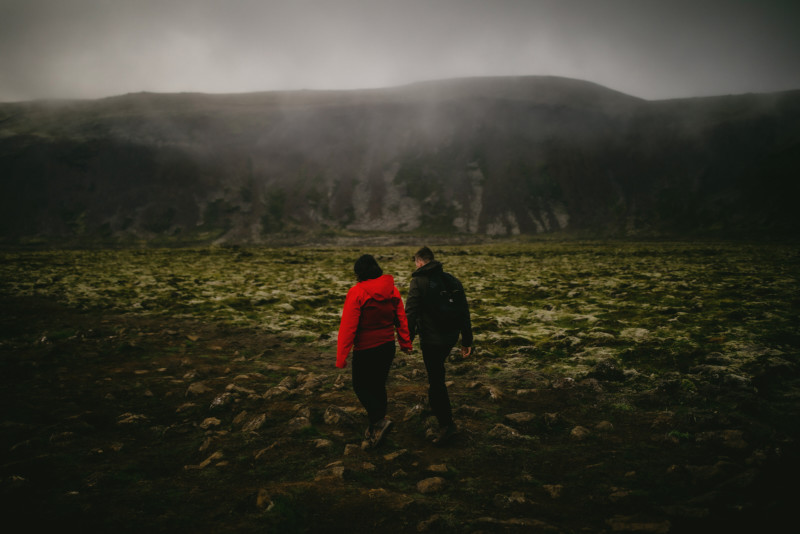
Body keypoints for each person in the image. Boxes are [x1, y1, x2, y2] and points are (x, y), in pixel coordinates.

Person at [337, 254, 413, 448]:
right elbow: (401, 319)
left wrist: (341, 356)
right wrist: (405, 343)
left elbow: (348, 327)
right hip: (387, 346)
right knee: (378, 385)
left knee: (360, 386)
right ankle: (376, 426)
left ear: (359, 273)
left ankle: (379, 421)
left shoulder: (357, 292)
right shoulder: (392, 291)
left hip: (366, 349)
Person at [405, 246, 473, 445]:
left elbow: (410, 312)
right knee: (437, 372)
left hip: (431, 340)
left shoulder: (418, 282)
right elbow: (464, 312)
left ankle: (447, 425)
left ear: (419, 262)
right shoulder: (452, 280)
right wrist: (467, 340)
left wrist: (406, 339)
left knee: (436, 379)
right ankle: (434, 405)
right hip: (450, 338)